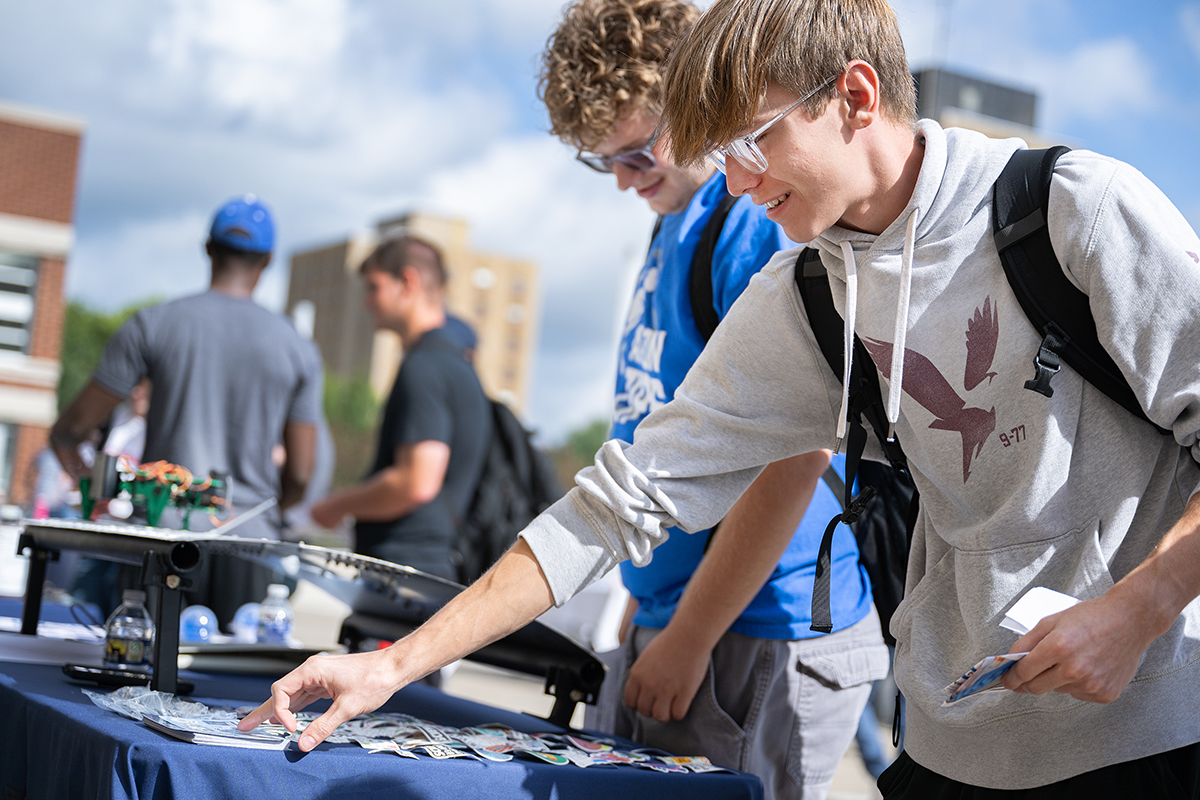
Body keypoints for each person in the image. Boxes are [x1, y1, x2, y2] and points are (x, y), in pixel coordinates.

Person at [241, 2, 1200, 798]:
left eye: (752, 143)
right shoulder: (806, 294)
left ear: (855, 96)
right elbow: (621, 500)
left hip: (1148, 740)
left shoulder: (1069, 211)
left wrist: (1141, 607)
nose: (737, 184)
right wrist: (391, 666)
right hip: (951, 751)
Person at [537, 2, 886, 796]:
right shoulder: (676, 221)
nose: (627, 183)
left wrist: (690, 633)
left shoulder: (751, 222)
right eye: (606, 165)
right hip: (688, 619)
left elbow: (794, 456)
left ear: (698, 100)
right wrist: (646, 603)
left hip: (759, 630)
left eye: (639, 155)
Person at [52, 195, 323, 626]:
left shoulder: (152, 324)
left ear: (209, 249)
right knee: (235, 691)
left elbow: (69, 432)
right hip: (249, 548)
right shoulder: (297, 347)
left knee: (134, 687)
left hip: (161, 544)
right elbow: (301, 476)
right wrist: (261, 513)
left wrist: (97, 493)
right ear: (267, 261)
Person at [308, 237, 491, 584]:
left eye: (374, 287)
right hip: (430, 567)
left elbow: (416, 482)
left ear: (407, 282)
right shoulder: (457, 364)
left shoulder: (424, 367)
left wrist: (336, 505)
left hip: (405, 572)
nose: (367, 302)